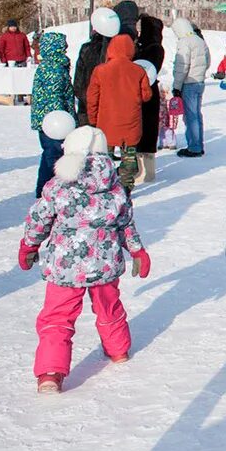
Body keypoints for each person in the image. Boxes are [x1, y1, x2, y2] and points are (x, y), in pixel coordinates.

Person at [19, 126, 150, 393]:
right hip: (104, 264)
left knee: (57, 316)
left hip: (65, 268)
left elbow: (39, 219)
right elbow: (126, 223)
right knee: (109, 307)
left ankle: (50, 372)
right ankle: (118, 350)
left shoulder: (57, 187)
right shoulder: (114, 189)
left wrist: (29, 245)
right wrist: (137, 250)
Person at [87, 34, 152, 193]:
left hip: (106, 122)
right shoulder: (138, 71)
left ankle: (106, 186)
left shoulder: (100, 70)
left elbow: (92, 98)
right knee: (129, 159)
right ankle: (125, 187)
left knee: (104, 158)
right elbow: (146, 96)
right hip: (131, 123)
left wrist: (93, 120)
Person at [29, 31, 75, 197]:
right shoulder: (54, 68)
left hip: (47, 121)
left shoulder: (50, 65)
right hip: (54, 123)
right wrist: (65, 120)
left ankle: (47, 190)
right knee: (53, 155)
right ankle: (46, 191)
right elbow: (54, 98)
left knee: (51, 154)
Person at [171, 17, 210, 158]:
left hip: (188, 83)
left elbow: (182, 66)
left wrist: (176, 86)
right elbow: (208, 61)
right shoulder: (200, 40)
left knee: (190, 116)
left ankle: (194, 147)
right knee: (197, 114)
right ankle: (198, 144)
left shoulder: (184, 42)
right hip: (199, 82)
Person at [133, 15, 165, 184]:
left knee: (146, 129)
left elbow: (147, 69)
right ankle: (144, 169)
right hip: (146, 92)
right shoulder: (154, 46)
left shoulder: (152, 48)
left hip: (147, 91)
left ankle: (146, 171)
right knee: (145, 129)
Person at [73, 29, 109, 126]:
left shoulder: (86, 48)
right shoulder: (111, 49)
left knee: (86, 133)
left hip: (85, 97)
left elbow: (78, 75)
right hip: (105, 99)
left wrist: (79, 94)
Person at [159, 84, 181, 150]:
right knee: (161, 132)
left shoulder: (171, 101)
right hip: (160, 119)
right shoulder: (158, 100)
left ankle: (172, 143)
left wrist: (174, 119)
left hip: (168, 119)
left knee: (169, 131)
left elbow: (174, 111)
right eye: (161, 92)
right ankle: (163, 143)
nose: (163, 94)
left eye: (165, 92)